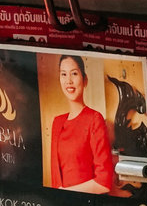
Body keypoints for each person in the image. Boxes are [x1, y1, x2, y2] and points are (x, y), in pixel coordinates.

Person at [47, 55, 116, 193]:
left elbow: (104, 183)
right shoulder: (57, 122)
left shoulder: (94, 119)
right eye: (64, 74)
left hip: (85, 205)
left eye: (74, 73)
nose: (69, 81)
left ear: (85, 80)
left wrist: (66, 193)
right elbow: (56, 178)